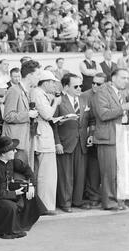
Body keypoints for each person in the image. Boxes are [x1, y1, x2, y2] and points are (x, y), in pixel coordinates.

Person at [0, 136, 45, 239]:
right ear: (3, 153)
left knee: (30, 194)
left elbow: (27, 169)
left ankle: (21, 224)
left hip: (10, 192)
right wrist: (14, 193)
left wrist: (31, 185)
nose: (15, 151)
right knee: (10, 207)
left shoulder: (11, 161)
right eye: (12, 150)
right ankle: (8, 230)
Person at [92, 68, 129, 210]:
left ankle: (119, 201)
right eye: (123, 78)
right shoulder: (102, 91)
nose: (126, 81)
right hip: (107, 137)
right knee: (109, 172)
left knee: (120, 172)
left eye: (127, 78)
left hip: (121, 135)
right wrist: (123, 108)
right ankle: (110, 202)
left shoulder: (121, 93)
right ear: (113, 78)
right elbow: (103, 114)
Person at [53, 73, 90, 212]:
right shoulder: (59, 101)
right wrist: (57, 142)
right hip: (65, 143)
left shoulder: (83, 100)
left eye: (81, 85)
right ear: (66, 87)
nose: (79, 88)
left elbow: (88, 120)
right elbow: (54, 123)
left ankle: (77, 201)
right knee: (66, 176)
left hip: (81, 142)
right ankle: (65, 203)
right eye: (76, 86)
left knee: (80, 174)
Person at [30, 70, 61, 215]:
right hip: (42, 137)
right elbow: (48, 114)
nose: (54, 85)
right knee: (46, 174)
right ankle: (45, 206)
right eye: (53, 82)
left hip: (43, 135)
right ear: (47, 82)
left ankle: (45, 205)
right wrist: (55, 102)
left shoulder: (39, 93)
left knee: (45, 173)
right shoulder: (38, 93)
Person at [2, 59, 40, 166]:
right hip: (15, 143)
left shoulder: (26, 91)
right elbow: (8, 116)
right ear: (30, 75)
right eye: (37, 75)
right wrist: (28, 115)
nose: (39, 78)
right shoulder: (14, 90)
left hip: (25, 139)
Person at [80, 73, 107, 207]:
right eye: (93, 83)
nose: (95, 86)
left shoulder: (109, 94)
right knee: (92, 168)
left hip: (106, 135)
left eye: (99, 84)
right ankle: (93, 196)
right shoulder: (85, 95)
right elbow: (86, 118)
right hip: (89, 136)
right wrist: (90, 134)